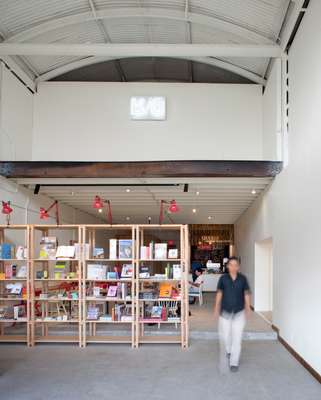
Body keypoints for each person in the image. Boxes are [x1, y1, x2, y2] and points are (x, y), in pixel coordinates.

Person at [214, 257, 251, 372]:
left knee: (237, 337)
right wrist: (216, 307)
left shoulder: (243, 279)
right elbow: (220, 292)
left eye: (236, 265)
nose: (233, 267)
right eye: (231, 265)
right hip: (225, 311)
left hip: (239, 312)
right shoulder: (223, 278)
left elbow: (246, 293)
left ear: (238, 267)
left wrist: (248, 307)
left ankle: (234, 362)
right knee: (226, 336)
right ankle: (229, 350)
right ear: (228, 266)